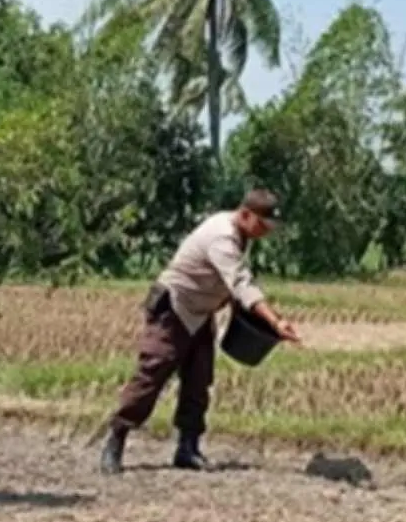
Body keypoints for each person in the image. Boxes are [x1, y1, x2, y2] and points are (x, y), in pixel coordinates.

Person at [97, 187, 301, 474]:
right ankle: (117, 437)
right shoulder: (222, 236)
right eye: (262, 224)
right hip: (174, 307)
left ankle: (188, 447)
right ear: (245, 214)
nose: (266, 232)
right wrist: (275, 322)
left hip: (201, 312)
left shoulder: (242, 234)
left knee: (198, 379)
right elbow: (240, 282)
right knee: (153, 372)